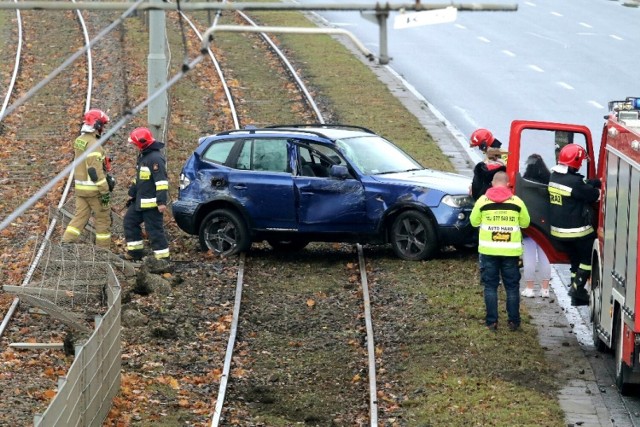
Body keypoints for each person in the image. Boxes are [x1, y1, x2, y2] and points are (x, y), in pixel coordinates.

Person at [470, 171, 531, 331]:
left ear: (492, 183)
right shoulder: (517, 202)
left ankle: (492, 322)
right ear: (508, 184)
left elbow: (473, 221)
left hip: (488, 250)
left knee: (490, 286)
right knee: (511, 287)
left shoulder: (482, 201)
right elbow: (525, 223)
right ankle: (513, 322)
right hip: (510, 252)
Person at [548, 144, 600, 306]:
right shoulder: (574, 182)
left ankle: (576, 294)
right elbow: (593, 195)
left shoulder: (554, 177)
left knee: (574, 261)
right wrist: (598, 186)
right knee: (587, 258)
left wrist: (592, 181)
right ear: (576, 161)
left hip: (558, 233)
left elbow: (579, 184)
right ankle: (577, 289)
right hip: (577, 232)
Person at [62, 109, 114, 249]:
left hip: (81, 189)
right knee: (103, 220)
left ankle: (66, 243)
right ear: (97, 125)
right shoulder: (94, 145)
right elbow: (94, 170)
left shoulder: (80, 140)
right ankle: (103, 252)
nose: (103, 128)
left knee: (80, 217)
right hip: (94, 190)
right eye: (102, 125)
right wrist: (104, 191)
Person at [122, 127, 170, 262]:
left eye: (134, 143)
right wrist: (132, 193)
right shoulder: (144, 156)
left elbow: (161, 182)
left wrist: (161, 202)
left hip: (152, 204)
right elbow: (139, 179)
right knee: (129, 222)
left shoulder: (155, 159)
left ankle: (162, 260)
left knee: (154, 231)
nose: (134, 146)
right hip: (140, 201)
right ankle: (135, 253)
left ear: (141, 143)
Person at [520, 154, 552, 298]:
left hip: (529, 224)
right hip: (546, 224)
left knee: (529, 256)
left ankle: (529, 288)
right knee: (545, 256)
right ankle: (545, 289)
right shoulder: (549, 181)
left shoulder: (524, 183)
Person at [469, 128, 507, 200]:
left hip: (496, 193)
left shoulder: (499, 156)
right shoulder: (492, 155)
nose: (480, 150)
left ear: (484, 145)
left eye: (480, 147)